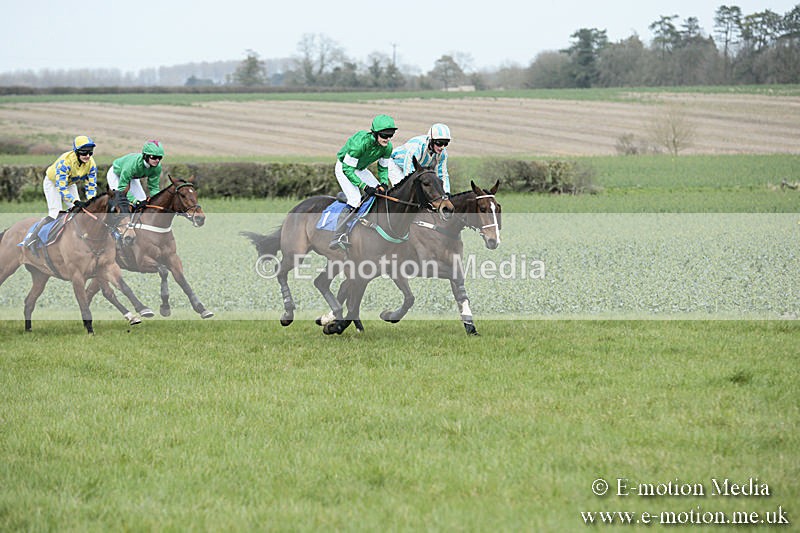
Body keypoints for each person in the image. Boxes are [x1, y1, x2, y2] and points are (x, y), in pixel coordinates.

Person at [329, 114, 397, 249]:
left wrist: (383, 183)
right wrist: (363, 186)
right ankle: (338, 236)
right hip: (344, 168)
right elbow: (348, 170)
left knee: (382, 193)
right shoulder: (360, 144)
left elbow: (383, 167)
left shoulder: (387, 147)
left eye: (391, 135)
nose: (387, 139)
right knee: (355, 200)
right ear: (376, 133)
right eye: (384, 135)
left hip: (360, 169)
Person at [22, 135, 98, 248]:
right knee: (55, 213)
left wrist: (91, 200)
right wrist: (75, 200)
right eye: (84, 153)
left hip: (70, 183)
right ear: (76, 152)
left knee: (78, 211)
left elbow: (91, 185)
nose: (87, 156)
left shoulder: (91, 164)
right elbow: (61, 188)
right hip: (53, 183)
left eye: (90, 153)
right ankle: (32, 237)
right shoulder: (65, 162)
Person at [388, 123, 451, 194]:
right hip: (395, 164)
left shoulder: (443, 154)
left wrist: (446, 193)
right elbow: (409, 172)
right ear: (431, 141)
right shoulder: (417, 147)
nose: (442, 147)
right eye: (439, 143)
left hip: (413, 169)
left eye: (446, 143)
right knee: (407, 192)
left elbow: (442, 174)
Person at [107, 140, 165, 207]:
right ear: (145, 156)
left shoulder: (157, 167)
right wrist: (134, 201)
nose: (157, 160)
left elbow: (154, 187)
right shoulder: (132, 165)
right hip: (116, 174)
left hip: (131, 177)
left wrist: (159, 201)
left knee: (142, 200)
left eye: (159, 158)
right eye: (154, 157)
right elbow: (122, 188)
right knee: (121, 200)